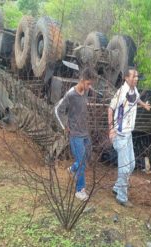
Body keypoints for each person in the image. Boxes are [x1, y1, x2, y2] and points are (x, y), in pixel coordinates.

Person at [108, 68, 150, 207]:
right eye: (133, 76)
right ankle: (122, 197)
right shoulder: (121, 92)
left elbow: (136, 99)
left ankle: (117, 187)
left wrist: (144, 105)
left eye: (137, 76)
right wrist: (111, 129)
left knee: (131, 165)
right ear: (126, 78)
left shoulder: (134, 90)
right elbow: (110, 109)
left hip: (128, 134)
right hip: (120, 134)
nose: (136, 79)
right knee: (125, 168)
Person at [55, 68, 97, 201]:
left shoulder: (85, 91)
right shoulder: (70, 95)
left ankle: (73, 169)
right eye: (88, 84)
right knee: (82, 162)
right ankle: (80, 190)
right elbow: (57, 110)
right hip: (75, 134)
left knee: (87, 156)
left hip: (85, 132)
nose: (90, 87)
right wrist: (64, 126)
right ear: (82, 80)